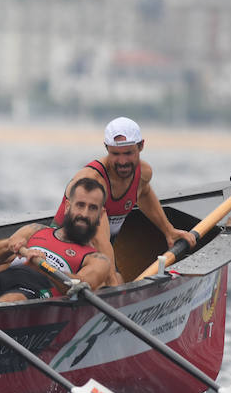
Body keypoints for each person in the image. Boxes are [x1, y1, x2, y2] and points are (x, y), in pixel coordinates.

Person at [53, 117, 196, 283]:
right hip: (64, 250)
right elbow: (99, 239)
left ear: (141, 146)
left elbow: (143, 194)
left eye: (128, 153)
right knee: (112, 281)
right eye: (115, 154)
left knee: (116, 279)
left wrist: (168, 230)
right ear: (106, 148)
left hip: (98, 251)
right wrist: (113, 283)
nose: (122, 162)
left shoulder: (144, 173)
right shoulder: (92, 183)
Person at [0, 177, 114, 303]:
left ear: (100, 215)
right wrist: (8, 246)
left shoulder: (98, 260)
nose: (84, 214)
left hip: (35, 292)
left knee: (11, 300)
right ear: (68, 207)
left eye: (92, 208)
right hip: (2, 279)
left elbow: (76, 286)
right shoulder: (34, 230)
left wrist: (43, 266)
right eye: (80, 205)